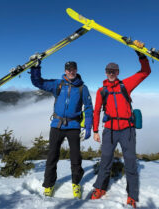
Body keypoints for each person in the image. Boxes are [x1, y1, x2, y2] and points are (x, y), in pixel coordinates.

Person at [90, 41, 151, 208]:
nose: (111, 73)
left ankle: (132, 196)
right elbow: (96, 111)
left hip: (127, 130)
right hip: (109, 130)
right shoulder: (101, 91)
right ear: (106, 72)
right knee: (105, 161)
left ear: (118, 72)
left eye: (114, 71)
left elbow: (145, 71)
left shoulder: (126, 85)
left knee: (131, 162)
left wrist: (141, 54)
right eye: (109, 71)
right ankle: (100, 188)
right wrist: (95, 130)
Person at [30, 55, 93, 199]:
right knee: (52, 156)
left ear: (76, 70)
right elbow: (37, 82)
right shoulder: (58, 84)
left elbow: (89, 108)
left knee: (75, 157)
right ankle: (49, 185)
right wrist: (35, 67)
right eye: (68, 69)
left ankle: (76, 183)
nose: (71, 71)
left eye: (73, 69)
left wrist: (88, 126)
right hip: (57, 125)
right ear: (65, 71)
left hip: (73, 125)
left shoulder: (83, 88)